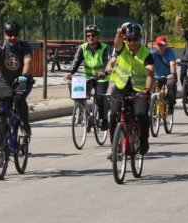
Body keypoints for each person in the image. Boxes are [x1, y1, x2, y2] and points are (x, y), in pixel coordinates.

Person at [0, 21, 34, 133]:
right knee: (2, 111)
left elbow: (28, 62)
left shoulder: (24, 46)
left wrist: (23, 76)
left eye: (15, 35)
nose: (13, 37)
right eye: (9, 34)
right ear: (4, 34)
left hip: (22, 81)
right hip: (4, 83)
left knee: (18, 99)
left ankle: (24, 123)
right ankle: (2, 142)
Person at [108, 22, 154, 154]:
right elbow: (117, 43)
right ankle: (114, 146)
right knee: (113, 115)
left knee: (141, 113)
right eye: (129, 39)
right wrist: (118, 33)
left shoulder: (146, 54)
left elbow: (150, 74)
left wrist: (146, 90)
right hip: (121, 88)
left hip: (139, 91)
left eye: (135, 39)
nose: (132, 42)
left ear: (140, 39)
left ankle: (144, 138)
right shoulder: (122, 48)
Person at [63, 25, 111, 129]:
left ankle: (104, 120)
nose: (90, 37)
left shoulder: (105, 47)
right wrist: (70, 72)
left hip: (102, 78)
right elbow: (76, 60)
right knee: (79, 95)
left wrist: (104, 72)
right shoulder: (82, 47)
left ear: (97, 37)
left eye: (93, 35)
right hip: (88, 77)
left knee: (100, 98)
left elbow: (109, 62)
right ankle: (82, 114)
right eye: (88, 35)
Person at [150, 35, 178, 111]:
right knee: (150, 89)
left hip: (168, 76)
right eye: (159, 45)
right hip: (157, 76)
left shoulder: (170, 52)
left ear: (166, 45)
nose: (161, 47)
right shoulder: (152, 53)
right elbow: (148, 64)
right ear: (156, 45)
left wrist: (172, 74)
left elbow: (172, 64)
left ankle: (171, 104)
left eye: (162, 45)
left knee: (171, 84)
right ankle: (152, 106)